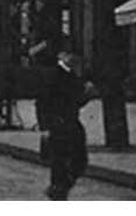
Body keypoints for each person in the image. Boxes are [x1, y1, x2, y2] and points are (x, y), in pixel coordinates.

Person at [36, 41, 94, 200]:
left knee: (77, 159)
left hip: (70, 121)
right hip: (58, 122)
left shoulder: (71, 75)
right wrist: (45, 126)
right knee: (61, 159)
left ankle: (59, 187)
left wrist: (87, 94)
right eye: (70, 55)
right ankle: (58, 189)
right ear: (62, 56)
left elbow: (74, 101)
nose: (74, 59)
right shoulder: (54, 74)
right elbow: (43, 101)